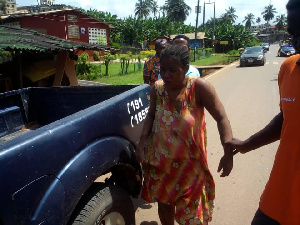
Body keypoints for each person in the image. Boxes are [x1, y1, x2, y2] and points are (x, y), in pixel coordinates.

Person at [136, 44, 234, 225]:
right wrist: (142, 142)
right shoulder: (158, 89)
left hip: (190, 167)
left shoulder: (199, 88)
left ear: (186, 69)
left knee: (192, 215)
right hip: (161, 163)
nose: (166, 75)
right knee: (164, 204)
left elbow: (221, 117)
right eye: (163, 69)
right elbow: (151, 115)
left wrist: (228, 150)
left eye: (173, 70)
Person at [228, 0, 300, 224]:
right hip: (280, 195)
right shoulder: (289, 68)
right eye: (294, 33)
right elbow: (286, 119)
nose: (298, 42)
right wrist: (246, 145)